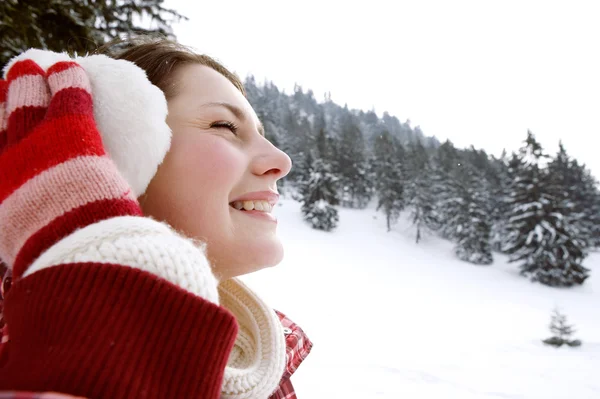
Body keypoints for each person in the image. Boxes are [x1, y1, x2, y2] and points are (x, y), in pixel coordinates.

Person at [0, 37, 312, 399]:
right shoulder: (19, 346)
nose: (281, 161)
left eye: (262, 135)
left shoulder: (262, 365)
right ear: (112, 150)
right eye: (224, 126)